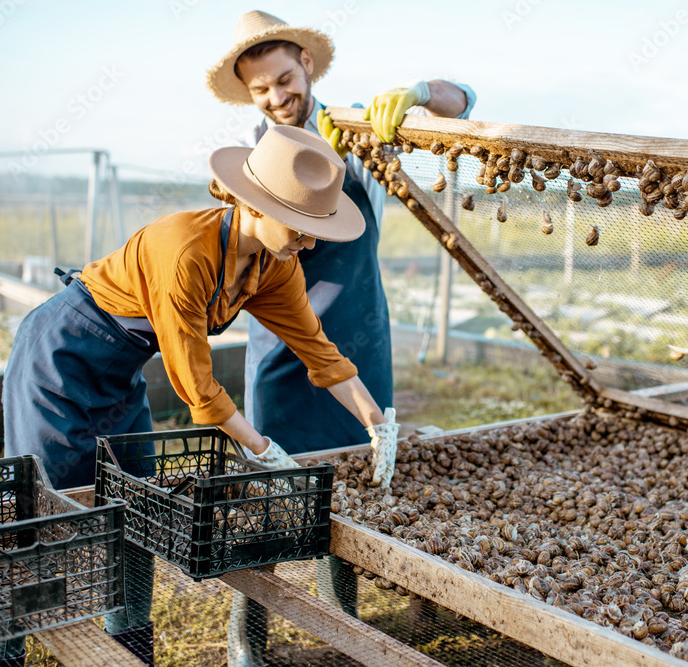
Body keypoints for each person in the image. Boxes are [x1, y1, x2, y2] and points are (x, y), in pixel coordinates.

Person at [0, 125, 398, 667]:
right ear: (256, 204)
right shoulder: (185, 251)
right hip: (61, 358)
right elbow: (197, 388)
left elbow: (318, 351)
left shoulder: (273, 267)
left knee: (132, 505)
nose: (311, 242)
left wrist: (378, 422)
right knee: (40, 518)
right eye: (301, 226)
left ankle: (130, 649)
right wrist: (261, 448)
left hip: (119, 374)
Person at [206, 11, 475, 667]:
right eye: (261, 88)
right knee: (266, 487)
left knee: (344, 488)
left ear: (304, 62)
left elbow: (464, 101)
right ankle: (250, 640)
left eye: (284, 78)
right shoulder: (249, 150)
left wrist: (413, 94)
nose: (276, 96)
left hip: (356, 335)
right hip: (278, 347)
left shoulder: (358, 127)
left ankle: (344, 626)